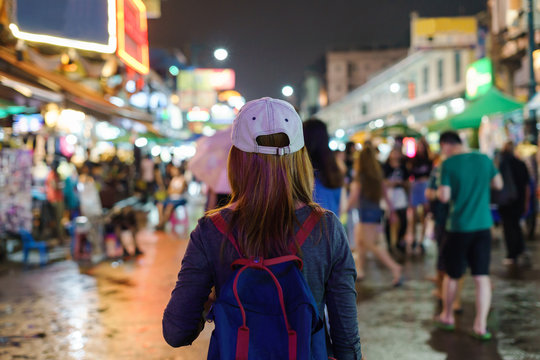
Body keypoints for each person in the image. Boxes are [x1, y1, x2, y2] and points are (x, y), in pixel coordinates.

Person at [163, 97, 362, 359]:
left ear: (236, 159)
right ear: (300, 158)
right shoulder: (327, 228)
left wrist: (211, 301)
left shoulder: (211, 230)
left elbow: (177, 332)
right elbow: (347, 342)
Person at [435, 131, 503, 340]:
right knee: (481, 277)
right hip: (483, 225)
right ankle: (480, 326)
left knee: (453, 275)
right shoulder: (484, 159)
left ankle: (447, 316)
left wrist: (439, 191)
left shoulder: (448, 164)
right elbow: (498, 184)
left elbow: (444, 197)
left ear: (446, 145)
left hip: (459, 226)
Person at [346, 144, 403, 286]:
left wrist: (343, 210)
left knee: (371, 245)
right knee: (360, 242)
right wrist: (392, 212)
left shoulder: (360, 178)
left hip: (366, 215)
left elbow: (354, 197)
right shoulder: (377, 176)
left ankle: (395, 267)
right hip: (376, 213)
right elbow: (386, 195)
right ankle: (360, 270)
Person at [497, 141, 531, 265]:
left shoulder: (503, 164)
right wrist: (526, 202)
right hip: (519, 201)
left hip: (507, 202)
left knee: (509, 228)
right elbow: (527, 185)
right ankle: (520, 249)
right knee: (515, 225)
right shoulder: (521, 164)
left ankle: (513, 254)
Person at [303, 118, 345, 215]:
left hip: (308, 228)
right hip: (333, 226)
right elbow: (343, 207)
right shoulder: (334, 169)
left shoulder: (301, 171)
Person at [407, 137, 433, 253]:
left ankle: (421, 240)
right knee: (413, 215)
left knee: (424, 216)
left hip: (424, 187)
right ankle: (413, 238)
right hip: (416, 187)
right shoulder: (413, 160)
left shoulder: (429, 160)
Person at [383, 148, 409, 254]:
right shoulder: (385, 167)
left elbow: (407, 182)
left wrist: (401, 183)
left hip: (400, 194)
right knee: (388, 220)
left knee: (403, 219)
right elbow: (382, 182)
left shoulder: (403, 167)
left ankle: (399, 241)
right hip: (388, 194)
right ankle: (390, 244)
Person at [156, 165, 188, 230]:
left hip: (179, 198)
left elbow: (179, 191)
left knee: (169, 207)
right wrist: (174, 190)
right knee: (159, 205)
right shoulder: (173, 179)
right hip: (171, 198)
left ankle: (162, 224)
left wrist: (174, 190)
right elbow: (169, 191)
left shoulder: (182, 179)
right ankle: (161, 222)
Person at [45, 159, 65, 242]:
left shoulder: (56, 175)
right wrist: (60, 185)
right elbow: (55, 186)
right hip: (55, 200)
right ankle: (59, 237)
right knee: (58, 220)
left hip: (58, 198)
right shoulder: (52, 175)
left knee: (59, 220)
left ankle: (59, 237)